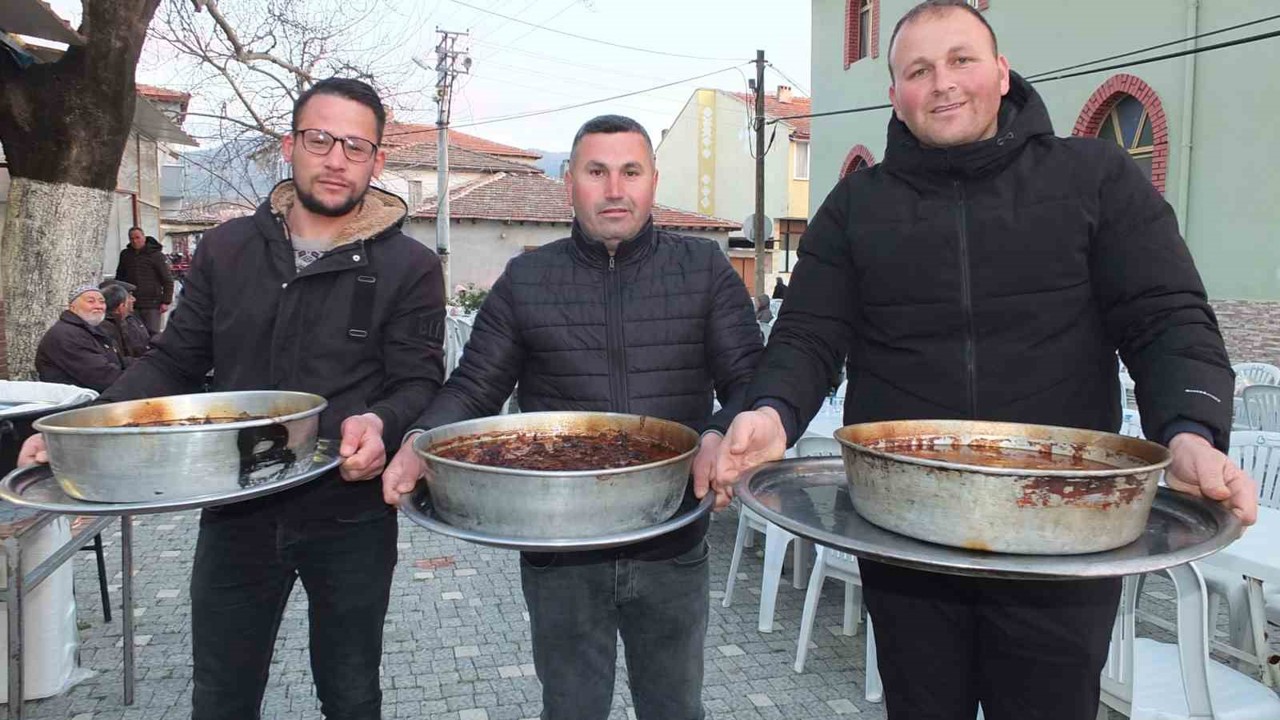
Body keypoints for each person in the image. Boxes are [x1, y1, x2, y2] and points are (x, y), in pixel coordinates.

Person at [709, 3, 1259, 719]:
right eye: (918, 70)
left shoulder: (1094, 178)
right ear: (896, 96)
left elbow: (1165, 319)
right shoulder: (856, 206)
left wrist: (1189, 430)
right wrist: (771, 413)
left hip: (1063, 527)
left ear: (1001, 73)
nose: (943, 84)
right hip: (906, 527)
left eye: (962, 60)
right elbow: (808, 337)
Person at [23, 77, 445, 720]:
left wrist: (382, 422)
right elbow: (173, 363)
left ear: (378, 161)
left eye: (356, 146)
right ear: (290, 146)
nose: (336, 159)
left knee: (352, 690)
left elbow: (419, 380)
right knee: (221, 695)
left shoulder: (410, 265)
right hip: (235, 505)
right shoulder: (228, 250)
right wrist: (75, 430)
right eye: (320, 139)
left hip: (350, 509)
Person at [382, 114, 762, 720]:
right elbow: (476, 385)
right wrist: (420, 438)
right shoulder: (528, 278)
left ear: (652, 180)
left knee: (674, 709)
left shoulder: (704, 270)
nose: (615, 188)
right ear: (570, 183)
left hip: (672, 537)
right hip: (559, 547)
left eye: (630, 171)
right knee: (571, 709)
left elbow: (749, 380)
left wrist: (719, 432)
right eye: (596, 171)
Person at [34, 284, 124, 391]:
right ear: (73, 307)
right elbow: (100, 375)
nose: (98, 306)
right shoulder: (66, 334)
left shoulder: (94, 329)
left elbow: (117, 361)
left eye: (102, 302)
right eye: (91, 301)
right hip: (77, 402)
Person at [114, 227, 174, 334]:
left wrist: (166, 301)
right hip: (131, 303)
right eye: (131, 238)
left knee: (152, 333)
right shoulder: (125, 255)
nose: (135, 241)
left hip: (152, 304)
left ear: (144, 237)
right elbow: (119, 278)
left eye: (138, 237)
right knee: (133, 333)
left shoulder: (156, 256)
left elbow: (167, 280)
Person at [98, 280, 152, 360]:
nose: (134, 299)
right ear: (121, 305)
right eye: (130, 296)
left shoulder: (131, 319)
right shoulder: (107, 327)